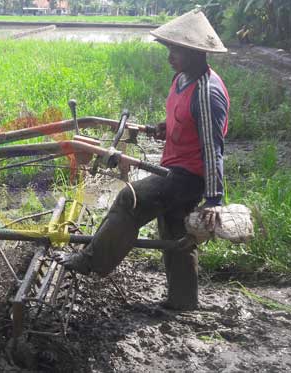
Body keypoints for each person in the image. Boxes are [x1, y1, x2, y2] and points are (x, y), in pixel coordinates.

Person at [54, 9, 230, 311]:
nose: (169, 56)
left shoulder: (207, 92)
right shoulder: (182, 79)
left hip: (188, 177)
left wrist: (214, 200)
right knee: (175, 233)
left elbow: (213, 148)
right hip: (174, 166)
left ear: (196, 52)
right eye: (169, 48)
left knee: (129, 199)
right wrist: (167, 127)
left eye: (175, 49)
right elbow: (183, 119)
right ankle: (183, 301)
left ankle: (91, 260)